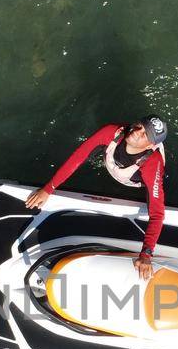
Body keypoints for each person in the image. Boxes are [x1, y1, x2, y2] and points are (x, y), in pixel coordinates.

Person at [26, 116, 169, 278]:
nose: (136, 132)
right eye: (139, 126)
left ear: (151, 145)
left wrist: (146, 254)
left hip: (134, 181)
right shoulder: (112, 131)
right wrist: (48, 189)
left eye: (144, 134)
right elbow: (77, 157)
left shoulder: (152, 163)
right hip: (113, 163)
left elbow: (157, 214)